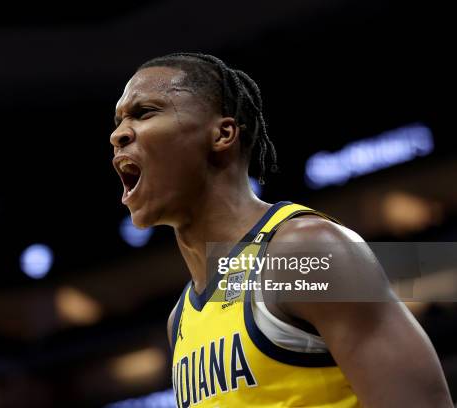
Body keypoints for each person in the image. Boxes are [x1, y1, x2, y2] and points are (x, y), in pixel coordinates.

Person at [110, 52, 452, 407]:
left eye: (144, 112)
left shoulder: (302, 253)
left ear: (222, 134)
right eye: (117, 122)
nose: (118, 135)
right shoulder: (180, 319)